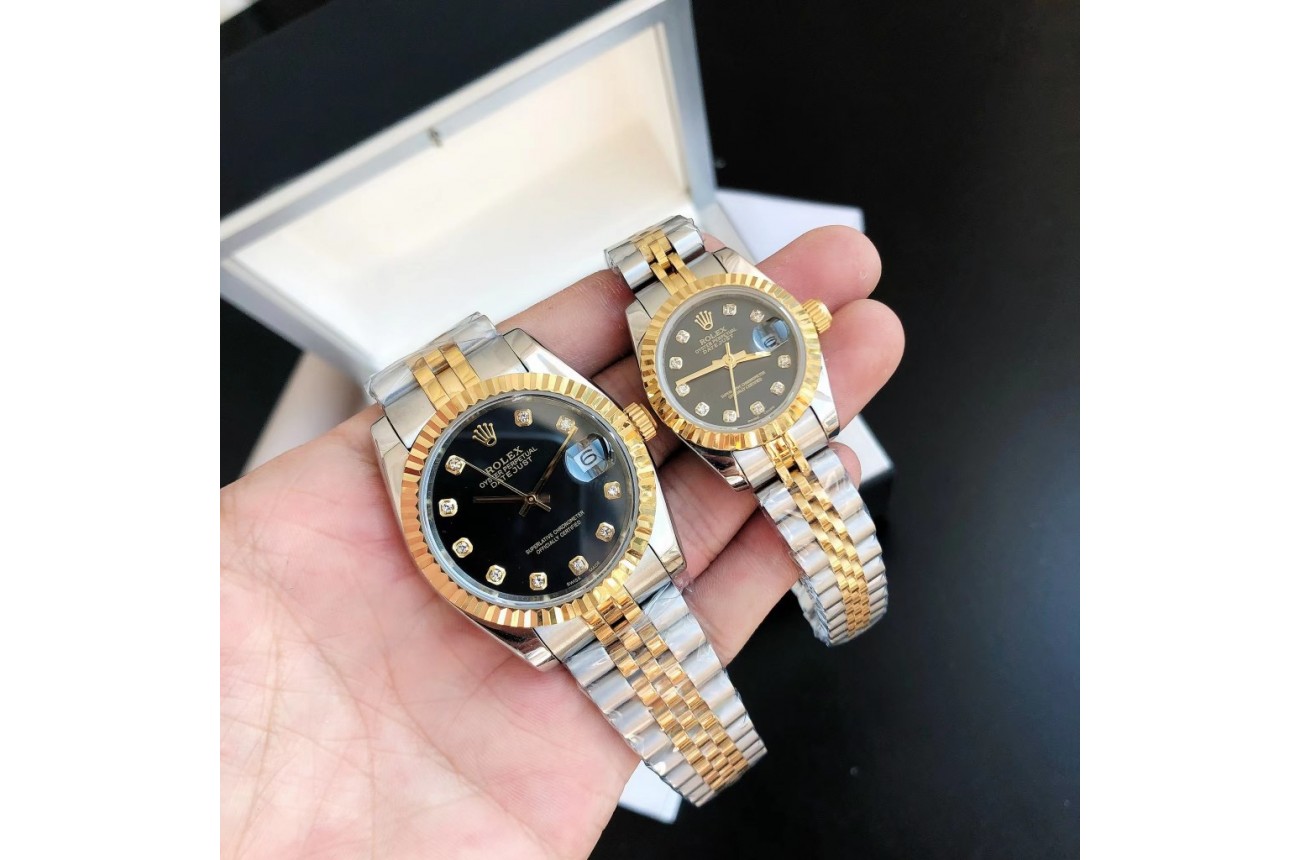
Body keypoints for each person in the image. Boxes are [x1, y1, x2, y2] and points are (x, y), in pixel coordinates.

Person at [221, 227, 904, 858]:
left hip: (603, 550)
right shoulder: (411, 455)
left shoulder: (525, 387)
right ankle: (716, 761)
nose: (530, 501)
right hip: (566, 591)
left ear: (627, 423)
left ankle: (718, 760)